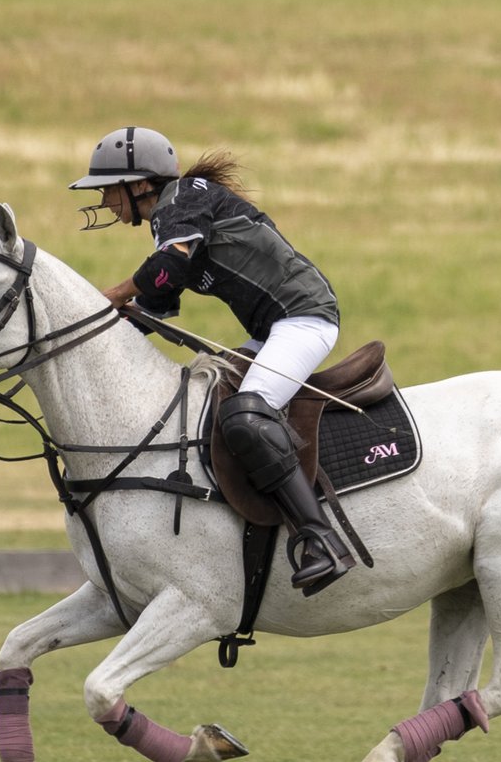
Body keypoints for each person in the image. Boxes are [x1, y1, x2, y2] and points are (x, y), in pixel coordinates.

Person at [69, 126, 356, 595]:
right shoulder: (173, 219)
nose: (104, 200)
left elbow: (168, 267)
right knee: (210, 410)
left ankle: (320, 539)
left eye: (108, 189)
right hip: (270, 333)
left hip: (305, 319)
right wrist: (86, 334)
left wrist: (110, 296)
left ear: (140, 185)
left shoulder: (184, 199)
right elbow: (155, 303)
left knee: (246, 417)